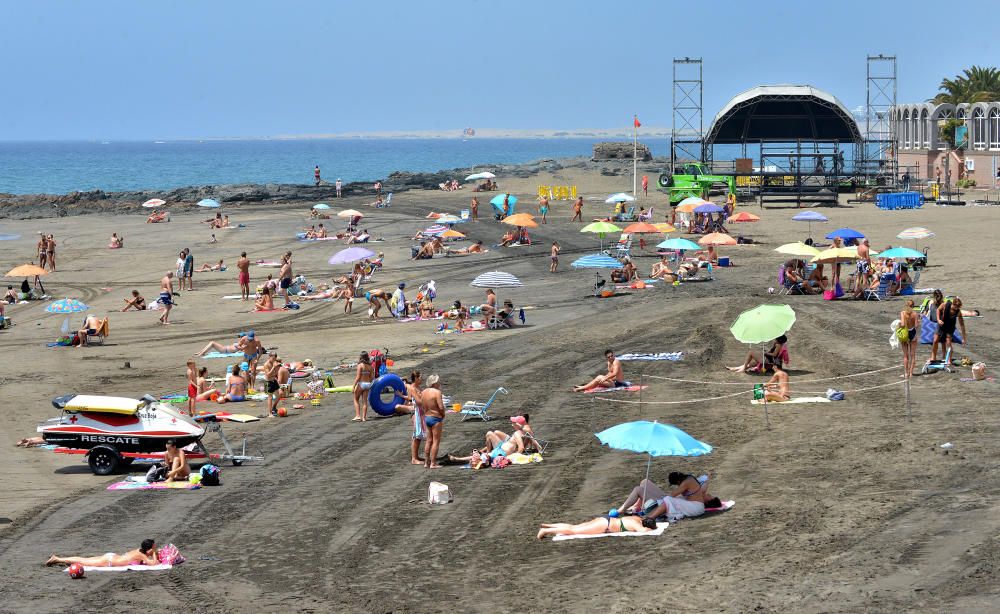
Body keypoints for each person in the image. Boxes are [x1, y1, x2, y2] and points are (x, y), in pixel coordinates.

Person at [640, 472, 716, 521]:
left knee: (668, 500)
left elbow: (672, 495)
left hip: (696, 507)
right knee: (668, 501)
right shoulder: (689, 478)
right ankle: (650, 516)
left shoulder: (686, 482)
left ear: (678, 481)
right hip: (695, 506)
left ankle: (651, 518)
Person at [46, 539, 159, 568]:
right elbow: (153, 564)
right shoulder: (141, 555)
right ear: (148, 549)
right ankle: (57, 559)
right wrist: (154, 553)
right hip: (108, 561)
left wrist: (153, 552)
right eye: (153, 548)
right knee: (82, 561)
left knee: (83, 560)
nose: (155, 549)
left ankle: (59, 559)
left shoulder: (139, 550)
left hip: (111, 557)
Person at [536, 514, 657, 540]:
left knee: (575, 526)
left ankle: (550, 525)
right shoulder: (637, 525)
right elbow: (643, 531)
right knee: (574, 530)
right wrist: (650, 530)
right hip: (605, 525)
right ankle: (546, 530)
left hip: (606, 520)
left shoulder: (637, 518)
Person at [932, 297, 967, 365]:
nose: (956, 308)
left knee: (948, 342)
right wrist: (938, 319)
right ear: (953, 304)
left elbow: (962, 325)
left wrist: (964, 338)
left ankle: (949, 359)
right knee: (935, 340)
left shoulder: (958, 312)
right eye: (955, 306)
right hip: (941, 324)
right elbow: (938, 310)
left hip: (950, 327)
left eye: (958, 307)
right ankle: (933, 357)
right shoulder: (945, 304)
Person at [421, 375, 445, 468]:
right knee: (436, 441)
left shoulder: (423, 392)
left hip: (427, 417)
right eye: (438, 382)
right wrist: (443, 415)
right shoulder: (437, 392)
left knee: (428, 441)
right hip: (435, 418)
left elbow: (422, 405)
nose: (439, 384)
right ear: (434, 383)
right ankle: (433, 463)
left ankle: (426, 462)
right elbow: (441, 407)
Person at [404, 371, 425, 464]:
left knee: (419, 435)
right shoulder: (413, 388)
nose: (421, 379)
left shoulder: (417, 387)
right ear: (415, 378)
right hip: (417, 412)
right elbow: (419, 401)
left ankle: (416, 456)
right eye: (420, 377)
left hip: (421, 412)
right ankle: (414, 458)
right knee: (416, 434)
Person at [899, 299, 919, 379]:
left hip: (905, 333)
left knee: (905, 355)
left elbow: (903, 324)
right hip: (912, 332)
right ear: (913, 306)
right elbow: (916, 326)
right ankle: (911, 373)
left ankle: (906, 373)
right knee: (913, 355)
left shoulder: (903, 313)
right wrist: (915, 335)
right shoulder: (915, 314)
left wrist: (899, 324)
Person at [352, 351, 374, 422]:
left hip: (361, 384)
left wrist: (354, 386)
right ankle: (364, 418)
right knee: (364, 401)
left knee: (356, 399)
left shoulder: (360, 365)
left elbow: (358, 377)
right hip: (367, 384)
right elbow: (372, 377)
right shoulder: (370, 366)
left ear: (361, 357)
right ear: (367, 357)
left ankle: (358, 416)